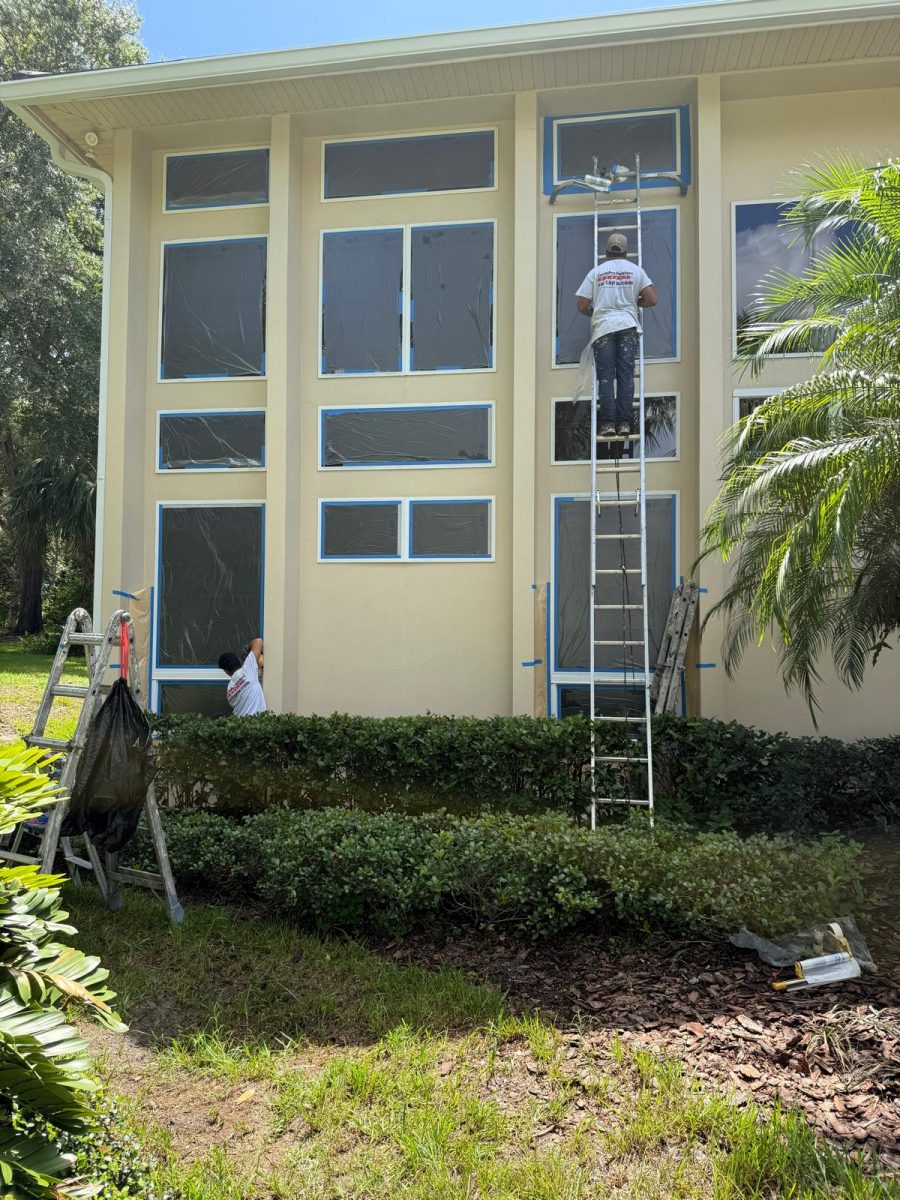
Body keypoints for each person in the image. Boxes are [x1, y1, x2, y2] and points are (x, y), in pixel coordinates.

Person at [575, 233, 657, 439]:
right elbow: (652, 299)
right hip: (628, 326)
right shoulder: (636, 271)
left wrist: (592, 312)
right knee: (626, 376)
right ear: (626, 252)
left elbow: (582, 305)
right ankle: (625, 423)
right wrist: (635, 302)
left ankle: (608, 424)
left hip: (603, 328)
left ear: (606, 251)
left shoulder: (596, 272)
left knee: (605, 378)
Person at [218, 637, 267, 716]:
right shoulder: (248, 669)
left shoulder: (229, 690)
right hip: (258, 724)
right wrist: (247, 649)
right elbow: (258, 641)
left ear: (226, 671)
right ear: (238, 660)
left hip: (241, 724)